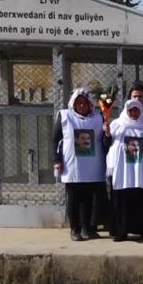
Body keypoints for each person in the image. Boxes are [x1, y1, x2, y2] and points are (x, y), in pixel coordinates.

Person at [53, 88, 109, 241]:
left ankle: (87, 228)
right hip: (72, 166)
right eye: (79, 103)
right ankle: (74, 229)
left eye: (85, 103)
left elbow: (105, 141)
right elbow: (56, 139)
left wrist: (107, 131)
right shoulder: (65, 116)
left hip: (92, 166)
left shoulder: (99, 118)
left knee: (88, 199)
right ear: (74, 103)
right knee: (74, 199)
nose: (82, 106)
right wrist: (56, 160)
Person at [106, 99, 143, 241]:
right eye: (130, 110)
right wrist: (107, 133)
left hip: (140, 169)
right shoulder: (116, 125)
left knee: (141, 199)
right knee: (121, 200)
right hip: (122, 170)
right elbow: (107, 143)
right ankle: (120, 231)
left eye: (136, 110)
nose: (133, 113)